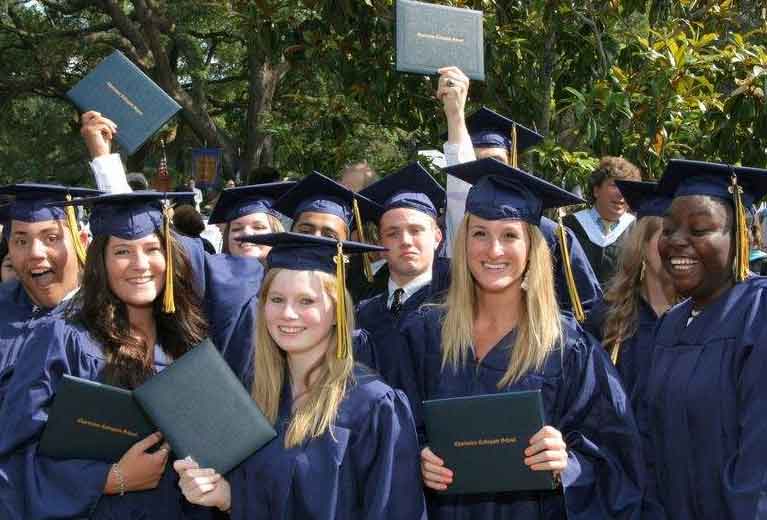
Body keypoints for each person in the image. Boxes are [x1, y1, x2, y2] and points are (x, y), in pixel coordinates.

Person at [404, 158, 644, 519]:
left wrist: (567, 464)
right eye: (480, 233)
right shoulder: (424, 335)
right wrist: (418, 457)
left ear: (532, 247)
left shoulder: (567, 347)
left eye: (510, 235)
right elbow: (390, 437)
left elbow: (616, 457)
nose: (493, 250)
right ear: (463, 242)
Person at [174, 232, 426, 519]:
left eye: (306, 301)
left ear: (337, 311)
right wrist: (224, 496)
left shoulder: (373, 406)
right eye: (277, 299)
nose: (288, 314)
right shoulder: (252, 395)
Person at [0, 192, 213, 519]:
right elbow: (13, 462)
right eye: (122, 251)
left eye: (152, 249)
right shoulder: (62, 338)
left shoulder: (187, 339)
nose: (140, 264)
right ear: (101, 261)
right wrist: (109, 479)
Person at [638, 159, 767, 519]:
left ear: (743, 236)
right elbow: (649, 444)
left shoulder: (758, 313)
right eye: (668, 229)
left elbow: (760, 469)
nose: (677, 241)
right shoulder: (671, 324)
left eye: (698, 229)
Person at [436, 68, 602, 320]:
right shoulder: (449, 229)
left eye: (496, 161)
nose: (487, 172)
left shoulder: (552, 235)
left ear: (514, 163)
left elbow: (586, 310)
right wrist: (454, 114)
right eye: (475, 162)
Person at [355, 162, 449, 416]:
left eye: (416, 230)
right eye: (393, 233)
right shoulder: (363, 312)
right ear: (381, 243)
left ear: (437, 237)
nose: (405, 241)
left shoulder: (458, 305)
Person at [584, 180, 675, 400]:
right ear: (642, 245)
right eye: (667, 234)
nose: (677, 245)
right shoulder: (608, 315)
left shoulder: (703, 315)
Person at [272, 171, 383, 303]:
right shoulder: (270, 281)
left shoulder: (366, 298)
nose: (316, 239)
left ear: (347, 247)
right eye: (305, 231)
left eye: (329, 236)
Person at [563, 157, 641, 285]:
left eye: (627, 188)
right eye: (614, 185)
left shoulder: (638, 229)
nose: (621, 193)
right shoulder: (568, 227)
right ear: (596, 190)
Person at [208, 182, 295, 260]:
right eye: (236, 229)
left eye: (258, 227)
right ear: (227, 237)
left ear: (276, 232)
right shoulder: (212, 272)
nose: (247, 233)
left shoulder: (295, 273)